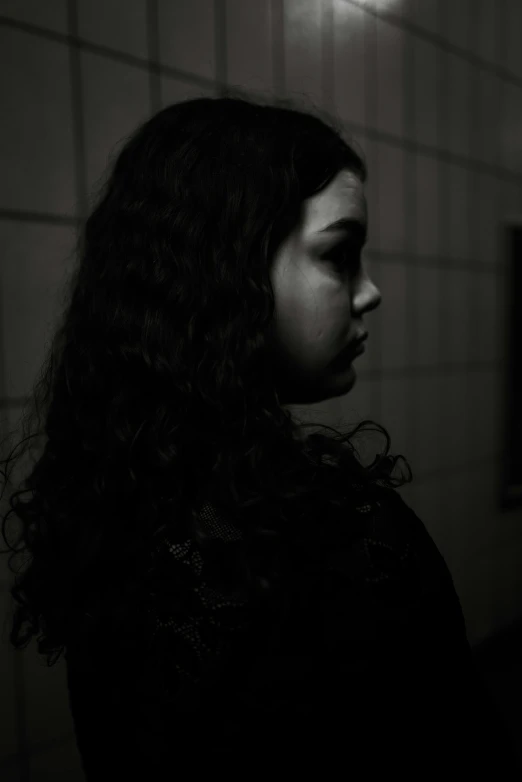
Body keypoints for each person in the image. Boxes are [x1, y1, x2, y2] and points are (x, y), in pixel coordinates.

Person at [0, 93, 519, 779]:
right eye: (340, 256)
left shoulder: (107, 513)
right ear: (228, 271)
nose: (371, 292)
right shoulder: (352, 539)